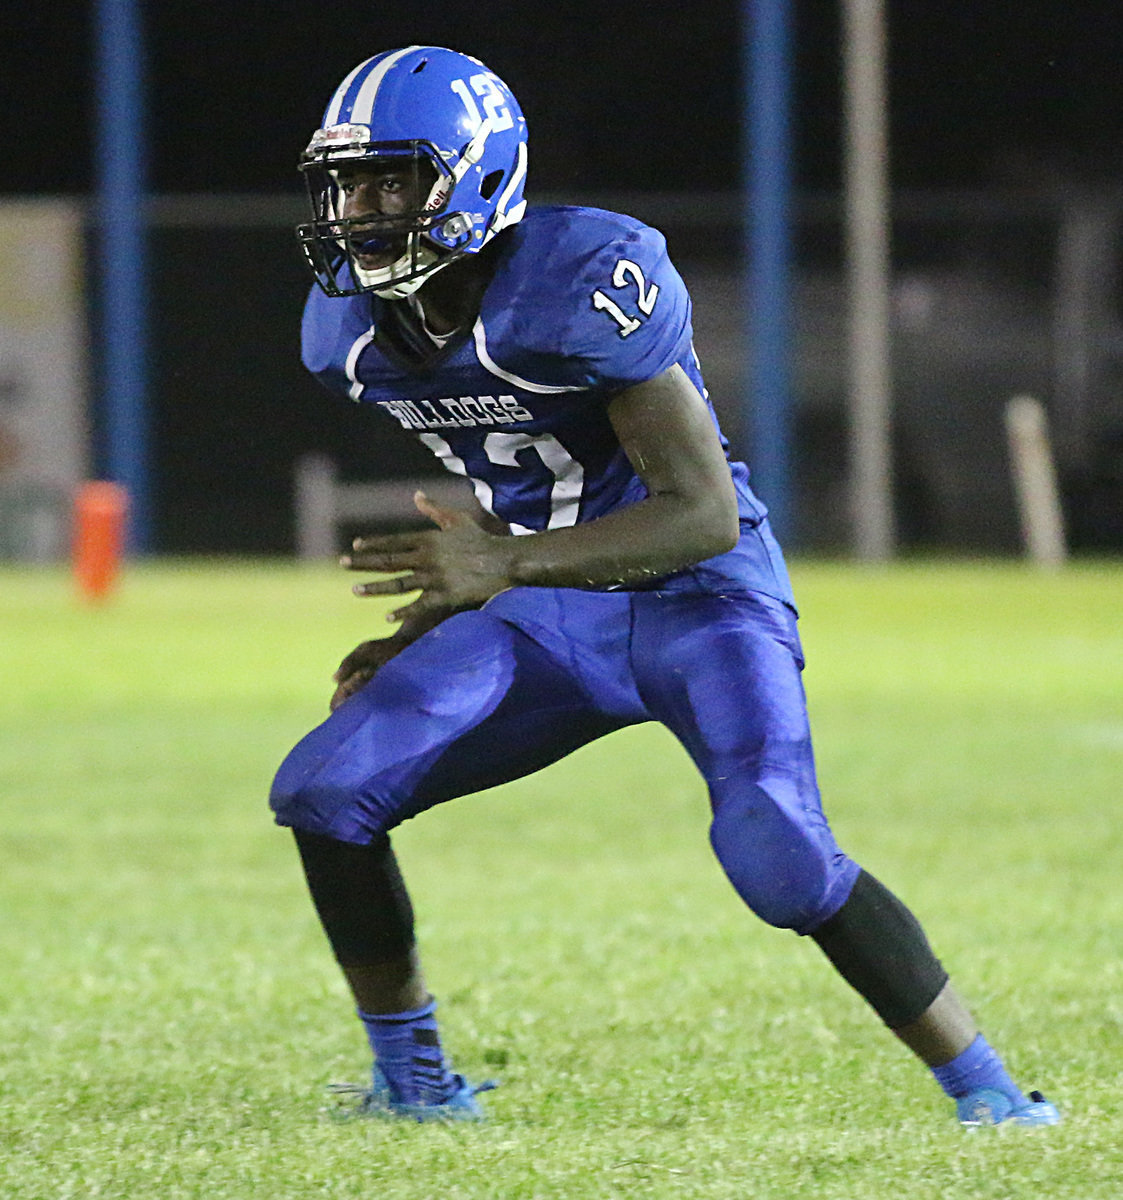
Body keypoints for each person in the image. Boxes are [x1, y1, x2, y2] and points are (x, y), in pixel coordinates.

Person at [271, 45, 1059, 1127]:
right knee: (327, 787)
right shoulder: (350, 334)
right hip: (553, 608)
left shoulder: (583, 276)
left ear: (479, 177)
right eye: (346, 182)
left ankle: (994, 1097)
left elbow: (699, 512)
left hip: (702, 596)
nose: (359, 208)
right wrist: (463, 602)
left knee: (777, 853)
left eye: (391, 180)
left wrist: (497, 565)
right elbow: (532, 482)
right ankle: (415, 1088)